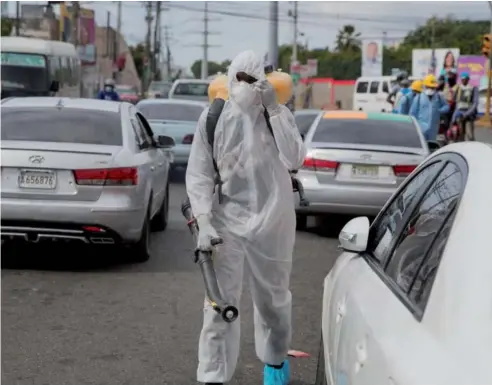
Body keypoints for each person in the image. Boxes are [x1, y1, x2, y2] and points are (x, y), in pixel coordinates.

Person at [185, 50, 306, 385]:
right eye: (240, 77)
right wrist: (204, 220)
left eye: (253, 80)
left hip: (274, 221)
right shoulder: (214, 118)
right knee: (218, 306)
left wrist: (275, 110)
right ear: (230, 77)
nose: (245, 86)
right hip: (227, 222)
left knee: (274, 302)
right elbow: (199, 174)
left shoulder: (276, 115)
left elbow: (295, 158)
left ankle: (276, 365)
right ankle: (212, 377)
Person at [409, 74, 449, 141]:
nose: (431, 89)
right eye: (429, 87)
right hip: (421, 128)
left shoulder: (439, 97)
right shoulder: (418, 98)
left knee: (431, 146)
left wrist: (440, 110)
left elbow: (446, 107)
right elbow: (412, 113)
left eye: (432, 87)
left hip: (434, 128)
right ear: (425, 86)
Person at [452, 72, 478, 141]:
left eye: (465, 79)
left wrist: (467, 114)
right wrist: (454, 117)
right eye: (462, 79)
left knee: (470, 135)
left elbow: (475, 103)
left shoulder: (473, 88)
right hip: (459, 114)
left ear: (468, 79)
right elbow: (455, 102)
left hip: (469, 115)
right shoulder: (458, 88)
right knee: (460, 134)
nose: (463, 80)